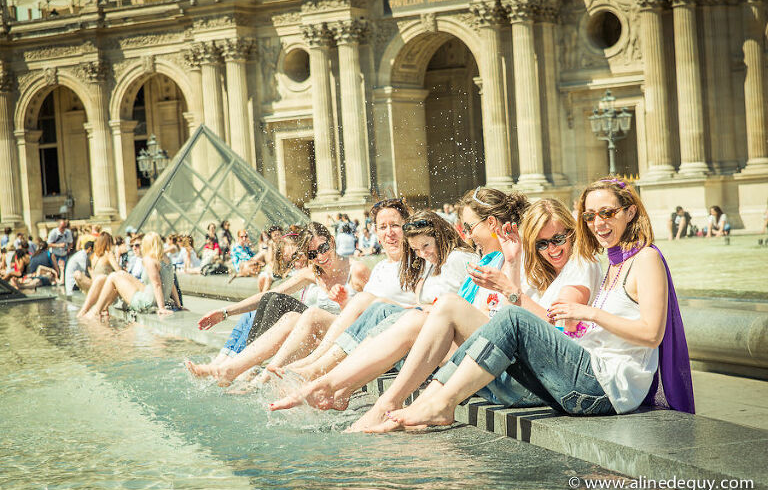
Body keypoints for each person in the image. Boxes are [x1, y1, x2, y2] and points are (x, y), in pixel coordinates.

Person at [373, 177, 695, 433]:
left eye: (607, 213)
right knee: (477, 314)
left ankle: (438, 402)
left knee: (510, 318)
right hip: (587, 380)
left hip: (603, 388)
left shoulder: (646, 257)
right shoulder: (614, 264)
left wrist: (589, 312)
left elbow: (652, 334)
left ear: (630, 212)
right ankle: (429, 400)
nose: (598, 223)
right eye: (590, 215)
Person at [271, 208, 481, 393]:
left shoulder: (456, 259)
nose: (423, 254)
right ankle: (315, 368)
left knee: (371, 305)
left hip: (437, 340)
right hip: (414, 333)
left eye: (425, 246)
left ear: (441, 235)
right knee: (363, 306)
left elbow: (461, 306)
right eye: (417, 250)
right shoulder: (430, 263)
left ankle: (318, 369)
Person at [186, 222, 370, 385]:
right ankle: (242, 371)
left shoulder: (357, 270)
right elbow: (268, 295)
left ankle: (246, 370)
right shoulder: (312, 272)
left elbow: (374, 312)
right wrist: (225, 312)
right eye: (312, 254)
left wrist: (345, 302)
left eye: (323, 248)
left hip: (345, 334)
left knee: (311, 313)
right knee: (281, 307)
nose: (320, 257)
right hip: (317, 334)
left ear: (331, 240)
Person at [81, 232, 182, 319]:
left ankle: (95, 312)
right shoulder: (167, 259)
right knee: (120, 273)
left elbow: (157, 284)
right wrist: (178, 305)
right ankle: (100, 309)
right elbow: (171, 283)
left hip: (148, 303)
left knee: (113, 277)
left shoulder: (149, 260)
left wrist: (162, 308)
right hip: (156, 299)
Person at [77, 232, 122, 317]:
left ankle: (84, 312)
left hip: (95, 289)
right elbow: (118, 271)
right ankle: (103, 309)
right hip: (106, 289)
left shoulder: (94, 256)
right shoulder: (108, 254)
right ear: (109, 242)